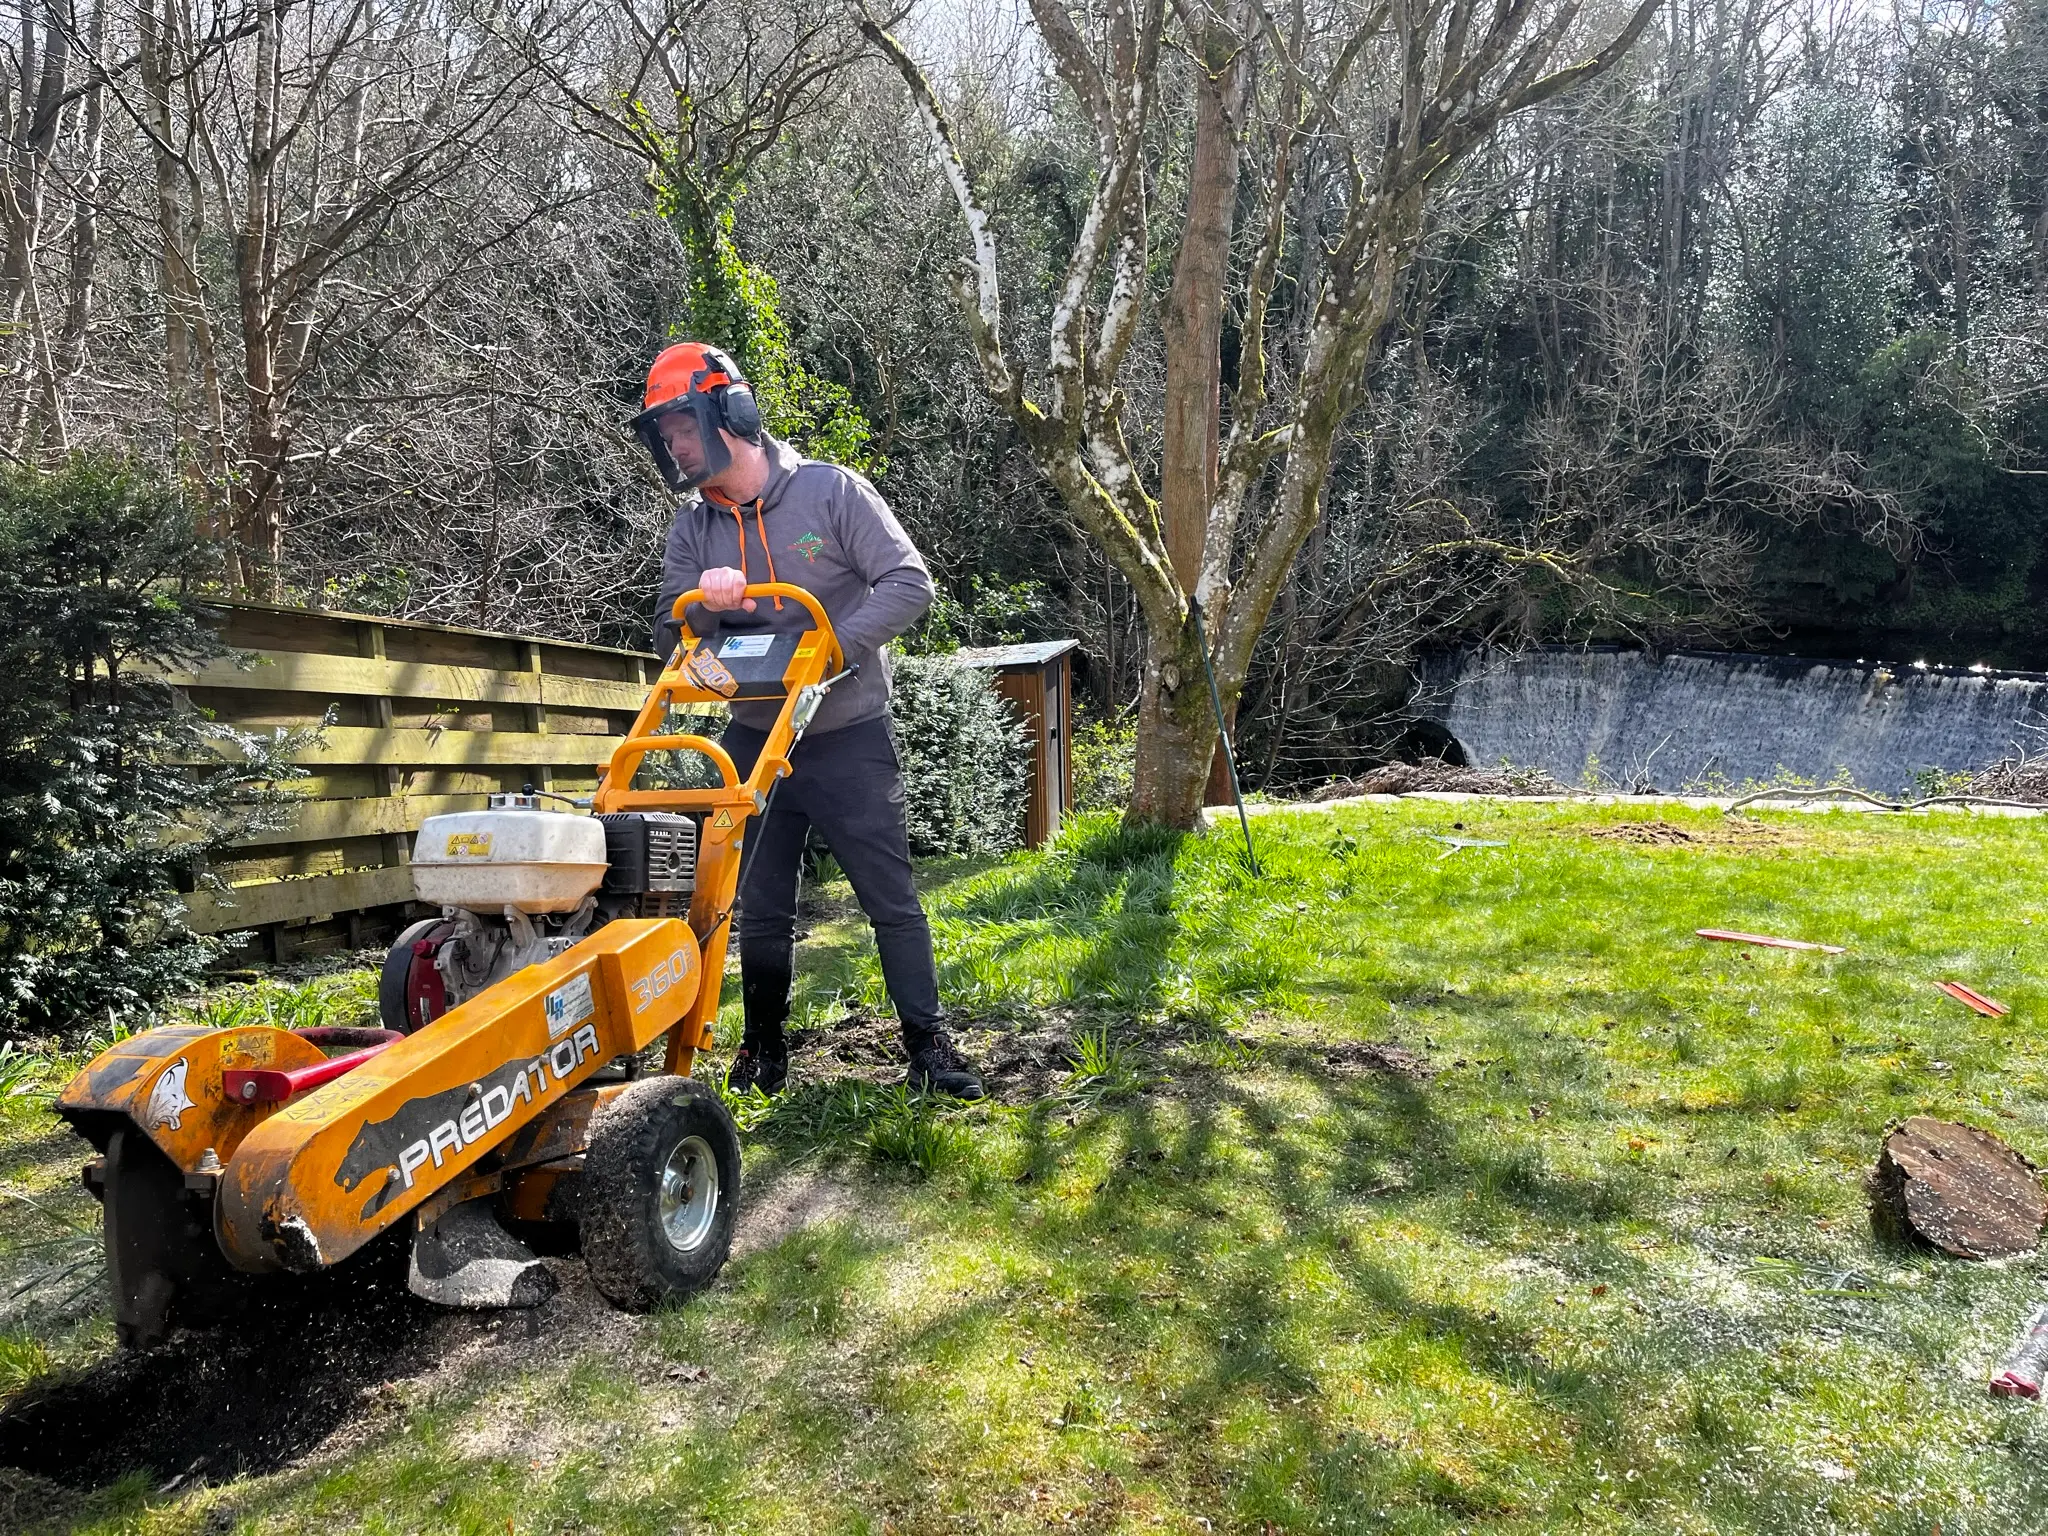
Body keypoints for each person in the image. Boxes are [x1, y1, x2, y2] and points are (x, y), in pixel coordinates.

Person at [633, 341, 984, 1100]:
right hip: (754, 740)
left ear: (731, 413)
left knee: (890, 900)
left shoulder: (830, 493)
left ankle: (928, 1046)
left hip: (845, 733)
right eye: (664, 434)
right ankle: (763, 1050)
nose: (676, 444)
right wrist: (704, 603)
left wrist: (830, 650)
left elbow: (909, 582)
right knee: (758, 909)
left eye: (684, 426)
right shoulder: (693, 531)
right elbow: (667, 634)